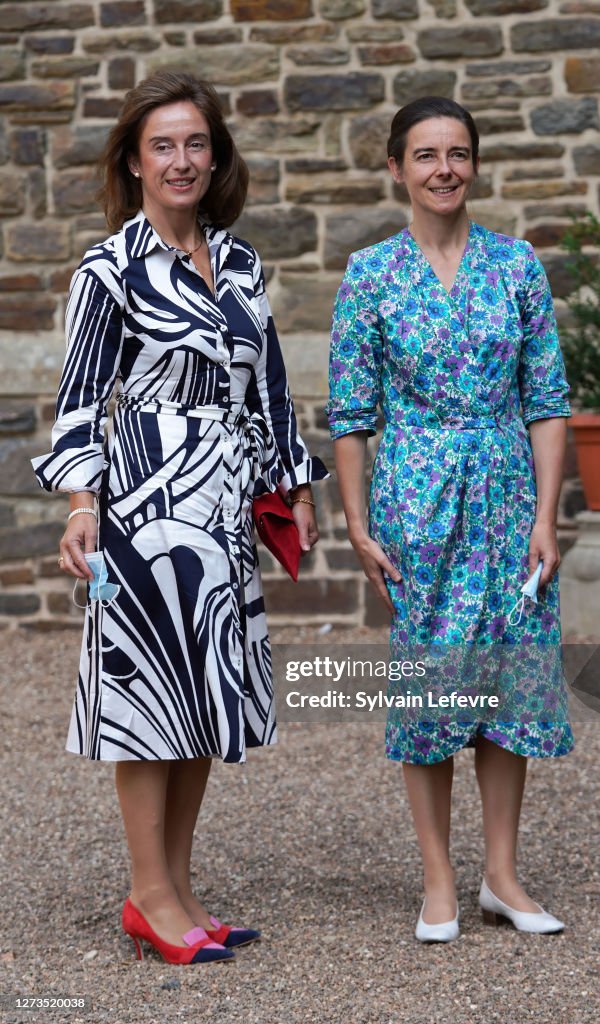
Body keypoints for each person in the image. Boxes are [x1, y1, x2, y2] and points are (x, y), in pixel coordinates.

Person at [33, 70, 326, 965]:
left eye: (195, 142)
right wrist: (84, 504)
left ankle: (180, 888)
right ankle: (148, 895)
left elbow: (268, 386)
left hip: (226, 501)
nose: (181, 159)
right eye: (162, 144)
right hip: (147, 500)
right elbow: (81, 397)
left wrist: (294, 481)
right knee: (148, 693)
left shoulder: (239, 262)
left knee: (202, 698)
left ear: (215, 154)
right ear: (133, 158)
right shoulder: (109, 268)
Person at [327, 97, 572, 942]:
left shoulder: (516, 266)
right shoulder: (370, 276)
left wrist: (547, 516)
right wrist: (358, 525)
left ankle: (500, 876)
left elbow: (545, 402)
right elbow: (352, 417)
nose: (444, 169)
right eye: (426, 155)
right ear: (396, 167)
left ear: (474, 164)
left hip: (507, 500)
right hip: (417, 505)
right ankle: (437, 879)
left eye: (458, 154)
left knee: (509, 680)